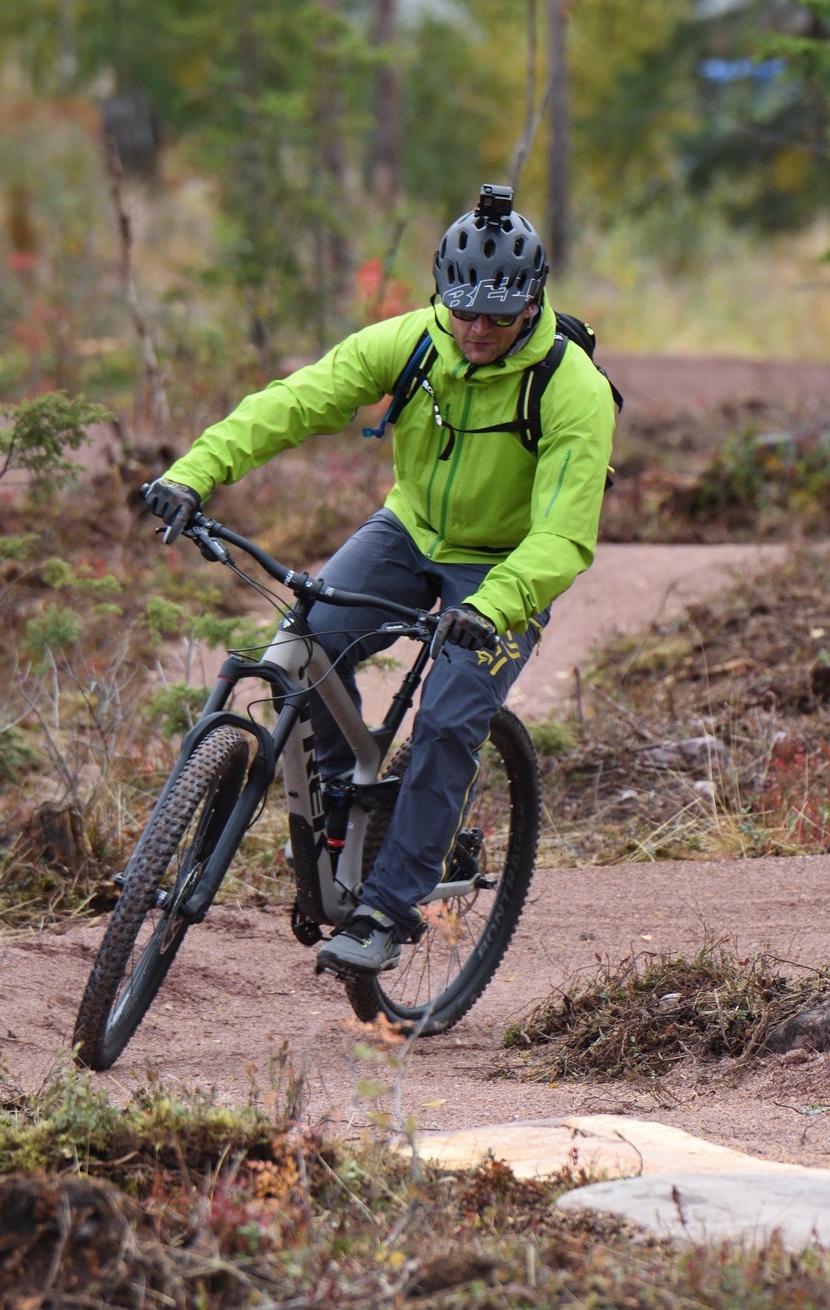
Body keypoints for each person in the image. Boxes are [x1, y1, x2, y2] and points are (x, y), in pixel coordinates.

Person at [142, 184, 616, 977]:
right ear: (441, 291)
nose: (477, 330)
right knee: (310, 639)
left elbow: (564, 534)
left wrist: (492, 606)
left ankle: (388, 912)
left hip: (505, 568)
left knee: (447, 719)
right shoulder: (413, 342)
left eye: (498, 316)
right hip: (410, 529)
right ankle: (342, 804)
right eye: (463, 310)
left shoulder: (572, 390)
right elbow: (294, 402)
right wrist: (193, 475)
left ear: (532, 301)